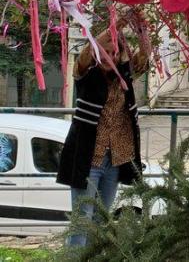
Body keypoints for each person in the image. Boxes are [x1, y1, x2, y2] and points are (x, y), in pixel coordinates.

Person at [57, 14, 150, 247]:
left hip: (115, 159)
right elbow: (90, 49)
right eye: (107, 51)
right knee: (82, 220)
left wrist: (142, 30)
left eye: (116, 52)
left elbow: (144, 55)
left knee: (101, 220)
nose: (112, 56)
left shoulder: (125, 77)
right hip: (88, 159)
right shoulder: (86, 75)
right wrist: (116, 24)